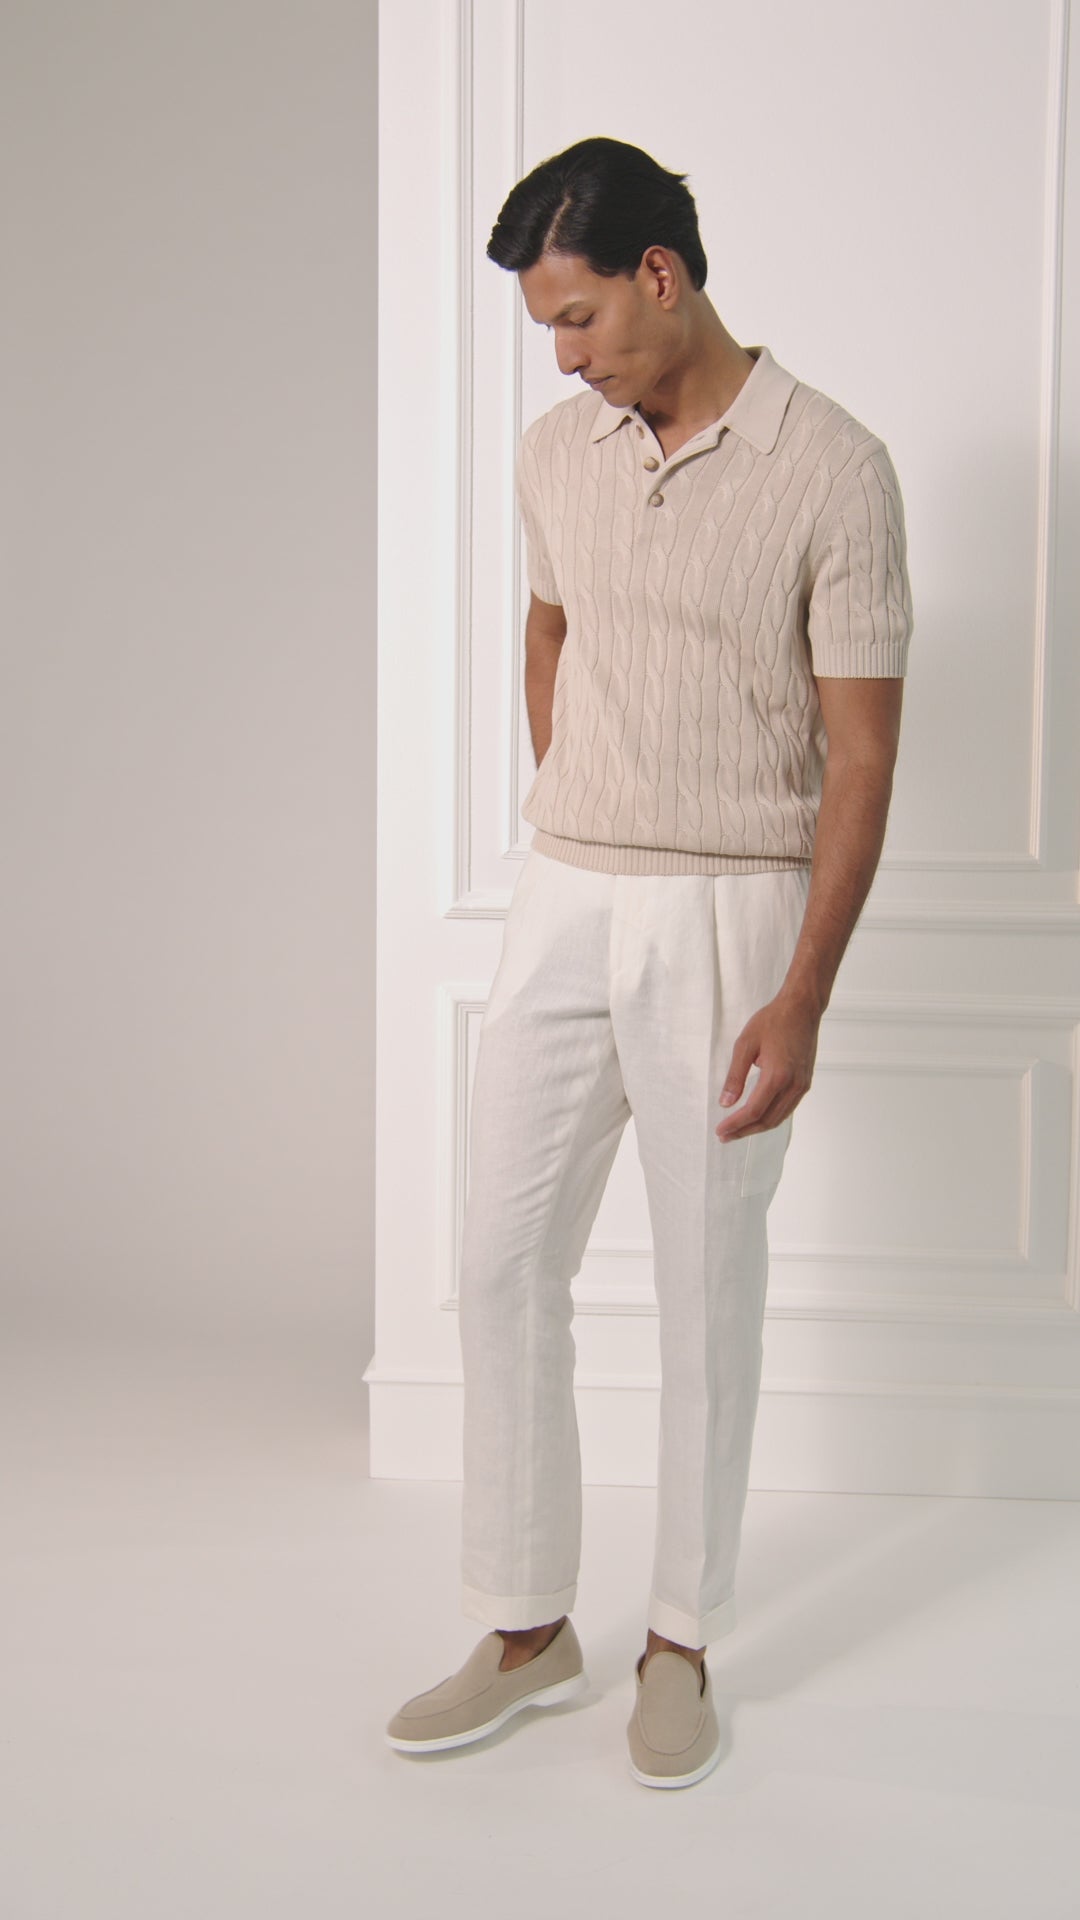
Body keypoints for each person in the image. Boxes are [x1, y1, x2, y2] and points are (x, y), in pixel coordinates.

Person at [386, 136, 913, 1788]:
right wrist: (578, 788)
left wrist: (802, 992)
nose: (563, 358)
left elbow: (863, 756)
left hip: (733, 913)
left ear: (662, 277)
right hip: (567, 894)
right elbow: (551, 625)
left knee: (704, 1287)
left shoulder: (835, 468)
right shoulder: (560, 452)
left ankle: (679, 1639)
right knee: (498, 1259)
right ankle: (526, 1624)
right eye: (546, 328)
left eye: (578, 318)